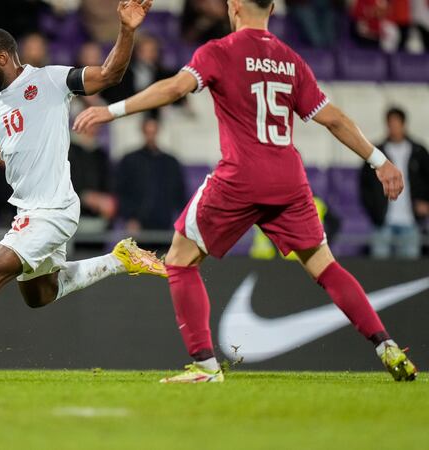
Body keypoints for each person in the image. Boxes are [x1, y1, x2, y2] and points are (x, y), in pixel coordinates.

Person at [74, 0, 417, 382]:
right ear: (271, 8)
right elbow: (333, 119)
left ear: (233, 6)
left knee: (180, 259)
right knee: (326, 266)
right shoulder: (290, 60)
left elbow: (174, 88)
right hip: (289, 179)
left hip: (241, 176)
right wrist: (380, 161)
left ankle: (205, 368)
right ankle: (386, 346)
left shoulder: (220, 51)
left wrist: (112, 110)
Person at [0, 1, 166, 377]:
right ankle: (118, 260)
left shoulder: (50, 80)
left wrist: (127, 29)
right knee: (41, 294)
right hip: (28, 212)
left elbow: (108, 75)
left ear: (3, 57)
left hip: (54, 209)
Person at [360, 107, 429, 259]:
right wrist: (375, 211)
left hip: (411, 221)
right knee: (378, 269)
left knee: (410, 272)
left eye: (396, 123)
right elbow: (365, 186)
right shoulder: (376, 152)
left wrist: (425, 202)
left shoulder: (418, 151)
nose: (393, 127)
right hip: (383, 221)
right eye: (390, 123)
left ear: (404, 124)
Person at [116, 117, 186, 233]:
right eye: (148, 132)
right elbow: (121, 191)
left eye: (153, 131)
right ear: (142, 131)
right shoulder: (129, 160)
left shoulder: (171, 162)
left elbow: (179, 193)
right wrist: (129, 218)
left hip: (165, 224)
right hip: (137, 225)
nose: (151, 135)